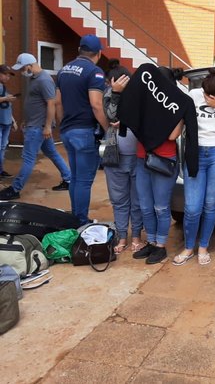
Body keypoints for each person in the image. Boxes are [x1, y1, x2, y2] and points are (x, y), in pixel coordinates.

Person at [117, 65, 198, 265]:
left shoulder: (179, 103)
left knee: (161, 207)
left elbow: (173, 135)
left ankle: (160, 246)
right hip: (142, 158)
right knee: (145, 206)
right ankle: (151, 242)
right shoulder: (144, 101)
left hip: (164, 160)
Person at [173, 69, 215, 266]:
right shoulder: (193, 96)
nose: (209, 98)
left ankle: (203, 246)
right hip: (196, 154)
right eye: (207, 95)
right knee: (192, 207)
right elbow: (178, 114)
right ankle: (188, 248)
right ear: (201, 89)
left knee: (211, 205)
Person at [0, 54, 71, 201]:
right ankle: (68, 179)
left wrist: (47, 127)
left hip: (38, 128)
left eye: (22, 68)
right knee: (52, 153)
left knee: (28, 158)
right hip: (35, 124)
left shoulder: (44, 80)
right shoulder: (35, 78)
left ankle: (15, 189)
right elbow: (35, 103)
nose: (21, 72)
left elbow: (51, 103)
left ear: (29, 65)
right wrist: (27, 119)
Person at [55, 35, 108, 224]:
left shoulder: (63, 71)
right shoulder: (94, 72)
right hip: (85, 131)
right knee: (84, 181)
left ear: (79, 50)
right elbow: (96, 104)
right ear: (99, 53)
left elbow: (58, 102)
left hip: (68, 131)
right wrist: (108, 128)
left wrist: (63, 124)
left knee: (75, 177)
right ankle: (81, 220)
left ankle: (75, 216)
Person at [103, 62, 144, 254]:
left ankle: (136, 236)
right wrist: (116, 93)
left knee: (137, 199)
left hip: (138, 155)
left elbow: (144, 121)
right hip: (114, 155)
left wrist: (128, 121)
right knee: (119, 200)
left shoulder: (140, 96)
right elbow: (110, 116)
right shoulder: (109, 95)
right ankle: (121, 237)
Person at [0, 65, 18, 177]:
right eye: (5, 74)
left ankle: (0, 170)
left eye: (9, 75)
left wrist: (13, 121)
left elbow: (7, 107)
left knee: (2, 147)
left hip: (6, 122)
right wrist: (6, 98)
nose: (7, 77)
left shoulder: (4, 87)